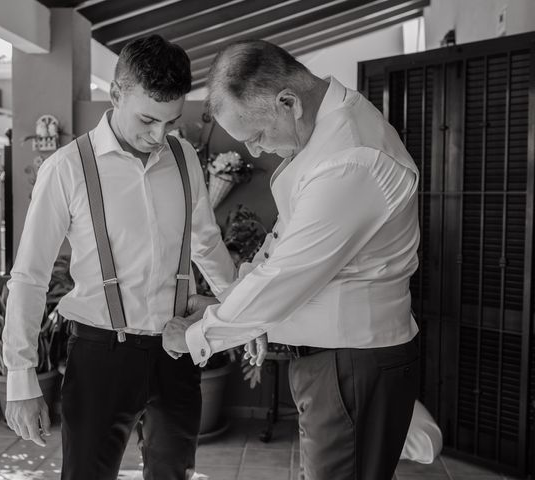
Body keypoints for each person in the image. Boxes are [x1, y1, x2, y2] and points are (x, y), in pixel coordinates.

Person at [163, 40, 421, 480]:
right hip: (334, 362)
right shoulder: (325, 132)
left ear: (287, 103)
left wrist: (198, 335)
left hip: (348, 365)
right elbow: (281, 244)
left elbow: (287, 274)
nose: (258, 151)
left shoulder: (349, 159)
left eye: (257, 135)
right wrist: (236, 307)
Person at [2, 34, 237, 480]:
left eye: (170, 122)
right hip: (101, 354)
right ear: (115, 95)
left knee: (174, 475)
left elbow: (205, 243)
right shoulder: (67, 168)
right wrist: (20, 379)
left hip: (178, 349)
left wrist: (244, 310)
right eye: (148, 119)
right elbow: (29, 277)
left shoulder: (184, 156)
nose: (159, 135)